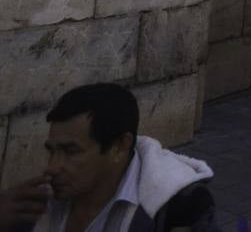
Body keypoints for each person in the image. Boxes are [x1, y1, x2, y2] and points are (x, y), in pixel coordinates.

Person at [0, 84, 217, 232]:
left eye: (71, 151)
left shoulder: (180, 207)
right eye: (51, 151)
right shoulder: (30, 206)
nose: (52, 167)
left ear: (119, 147)